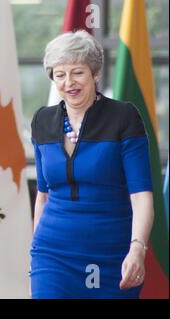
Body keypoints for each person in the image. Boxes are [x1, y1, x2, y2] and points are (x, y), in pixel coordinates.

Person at [30, 30, 154, 299]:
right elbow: (43, 195)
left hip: (111, 255)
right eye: (60, 75)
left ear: (95, 73)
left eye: (77, 72)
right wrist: (34, 249)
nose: (68, 82)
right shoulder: (42, 120)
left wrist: (137, 248)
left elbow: (141, 196)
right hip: (52, 254)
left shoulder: (123, 117)